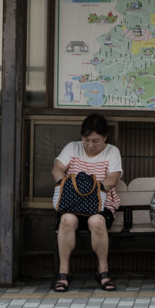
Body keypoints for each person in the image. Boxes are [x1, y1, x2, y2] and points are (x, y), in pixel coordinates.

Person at [51, 113, 123, 292]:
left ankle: (103, 270)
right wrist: (67, 185)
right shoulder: (72, 148)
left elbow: (113, 179)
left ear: (105, 137)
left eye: (95, 141)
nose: (90, 145)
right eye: (86, 140)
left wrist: (90, 190)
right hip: (73, 205)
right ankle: (63, 272)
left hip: (101, 205)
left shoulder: (112, 152)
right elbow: (57, 169)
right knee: (67, 220)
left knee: (96, 221)